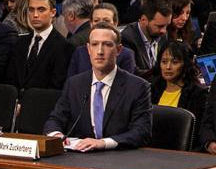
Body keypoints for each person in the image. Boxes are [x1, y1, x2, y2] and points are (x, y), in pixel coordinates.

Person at [43, 22, 152, 151]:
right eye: (95, 44)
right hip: (79, 159)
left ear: (118, 50)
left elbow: (141, 132)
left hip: (120, 159)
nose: (100, 51)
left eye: (107, 45)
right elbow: (54, 120)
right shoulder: (75, 84)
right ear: (88, 49)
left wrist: (103, 143)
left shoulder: (138, 87)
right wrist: (57, 136)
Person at [6, 0, 74, 93]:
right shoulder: (19, 42)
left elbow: (56, 87)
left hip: (42, 106)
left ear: (53, 12)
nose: (35, 15)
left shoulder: (64, 47)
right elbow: (10, 79)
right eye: (31, 9)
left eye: (41, 10)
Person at [151, 41, 207, 149]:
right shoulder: (150, 90)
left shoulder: (198, 95)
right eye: (164, 61)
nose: (168, 67)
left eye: (175, 62)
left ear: (185, 65)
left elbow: (197, 135)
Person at [67, 3, 136, 76]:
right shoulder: (79, 52)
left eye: (106, 21)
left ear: (115, 23)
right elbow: (71, 84)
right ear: (91, 23)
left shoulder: (126, 54)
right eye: (96, 20)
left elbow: (127, 84)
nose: (101, 24)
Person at [121, 0, 172, 79]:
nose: (164, 31)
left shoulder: (162, 35)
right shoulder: (127, 38)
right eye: (159, 26)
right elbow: (133, 73)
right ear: (144, 20)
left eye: (166, 26)